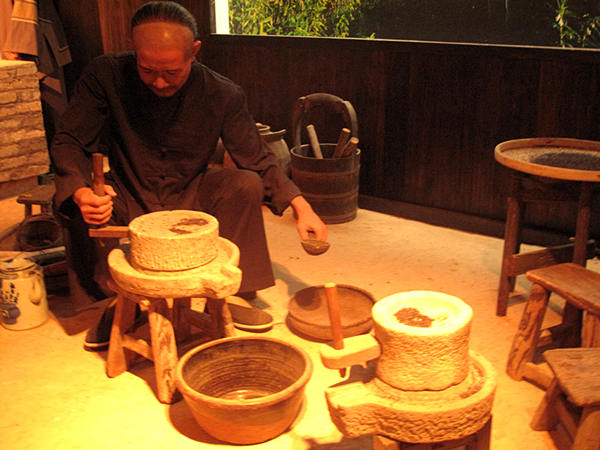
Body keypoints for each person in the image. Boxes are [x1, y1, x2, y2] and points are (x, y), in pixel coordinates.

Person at [50, 1, 327, 351]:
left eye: (171, 72)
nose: (160, 82)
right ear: (135, 49)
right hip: (128, 193)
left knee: (245, 184)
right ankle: (107, 301)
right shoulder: (105, 75)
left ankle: (235, 292)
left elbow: (256, 156)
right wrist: (80, 192)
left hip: (191, 196)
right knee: (70, 201)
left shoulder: (222, 92)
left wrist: (302, 207)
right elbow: (70, 140)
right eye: (147, 70)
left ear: (194, 51)